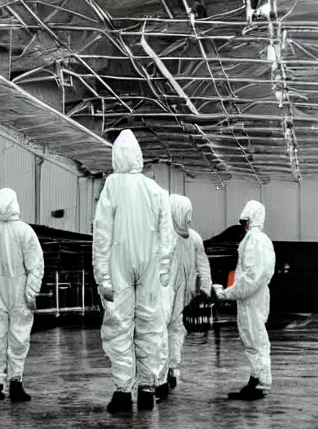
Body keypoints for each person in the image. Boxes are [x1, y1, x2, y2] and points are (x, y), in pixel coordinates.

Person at [93, 129, 176, 414]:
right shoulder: (156, 190)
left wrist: (102, 276)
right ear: (139, 156)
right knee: (151, 326)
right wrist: (164, 269)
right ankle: (146, 389)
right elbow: (168, 235)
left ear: (116, 156)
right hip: (151, 265)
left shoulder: (112, 186)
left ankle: (121, 391)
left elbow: (101, 235)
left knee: (119, 327)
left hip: (119, 263)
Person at [0, 188, 44, 402]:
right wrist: (30, 292)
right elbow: (36, 266)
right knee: (19, 338)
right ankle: (15, 384)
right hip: (19, 292)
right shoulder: (25, 231)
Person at [214, 200, 276, 400]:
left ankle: (260, 383)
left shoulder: (254, 240)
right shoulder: (262, 240)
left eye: (246, 220)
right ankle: (256, 380)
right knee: (255, 339)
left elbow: (250, 277)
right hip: (255, 296)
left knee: (255, 340)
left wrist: (228, 293)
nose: (244, 224)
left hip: (251, 298)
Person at [156, 194, 212, 400]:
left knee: (177, 330)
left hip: (184, 295)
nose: (189, 218)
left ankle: (171, 367)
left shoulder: (194, 238)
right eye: (186, 213)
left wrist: (205, 289)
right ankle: (158, 373)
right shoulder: (162, 236)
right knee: (159, 331)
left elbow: (203, 264)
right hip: (163, 293)